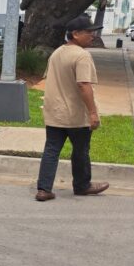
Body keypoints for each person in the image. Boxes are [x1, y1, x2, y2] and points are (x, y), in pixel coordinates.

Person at [35, 14, 109, 201]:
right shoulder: (82, 56)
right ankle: (82, 186)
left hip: (55, 112)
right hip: (76, 115)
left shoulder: (57, 53)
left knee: (51, 150)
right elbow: (84, 85)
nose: (93, 36)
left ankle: (44, 189)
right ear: (75, 34)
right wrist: (93, 112)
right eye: (89, 32)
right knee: (81, 150)